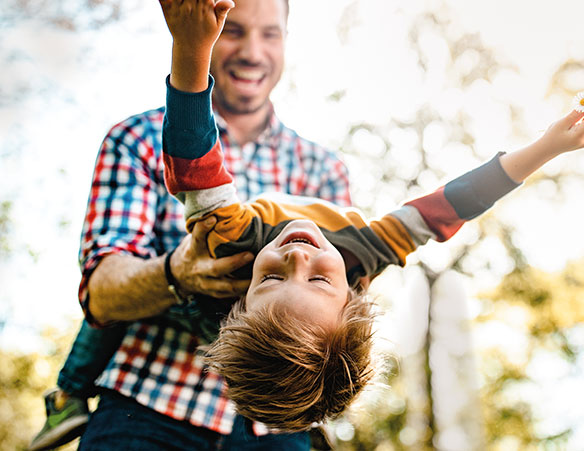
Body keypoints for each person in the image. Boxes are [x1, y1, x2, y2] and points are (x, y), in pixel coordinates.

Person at [156, 0, 584, 433]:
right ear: (356, 293)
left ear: (244, 295)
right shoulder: (369, 250)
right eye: (319, 282)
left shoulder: (230, 241)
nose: (296, 259)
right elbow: (454, 204)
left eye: (270, 279)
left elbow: (193, 159)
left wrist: (192, 51)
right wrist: (547, 148)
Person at [28, 0, 350, 449]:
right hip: (147, 406)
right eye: (233, 30)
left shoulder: (324, 170)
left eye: (269, 34)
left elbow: (347, 292)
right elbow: (100, 292)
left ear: (286, 39)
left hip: (278, 428)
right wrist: (177, 273)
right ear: (208, 28)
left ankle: (68, 393)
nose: (253, 51)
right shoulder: (139, 139)